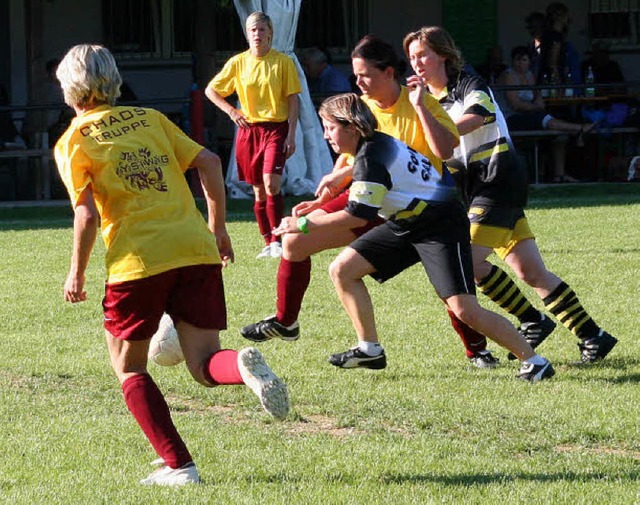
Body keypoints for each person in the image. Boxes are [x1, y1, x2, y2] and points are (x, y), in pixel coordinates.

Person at [54, 44, 290, 487]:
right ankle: (239, 366)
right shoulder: (151, 119)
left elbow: (85, 213)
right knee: (204, 365)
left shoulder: (75, 140)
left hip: (138, 261)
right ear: (113, 78)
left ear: (70, 88)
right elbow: (210, 161)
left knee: (129, 369)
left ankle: (179, 466)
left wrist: (76, 272)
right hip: (195, 249)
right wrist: (218, 228)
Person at [241, 35, 498, 370]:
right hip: (372, 203)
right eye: (355, 74)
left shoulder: (419, 102)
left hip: (423, 209)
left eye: (365, 75)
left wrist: (421, 107)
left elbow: (444, 151)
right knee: (296, 241)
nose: (358, 81)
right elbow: (352, 161)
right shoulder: (362, 108)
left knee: (452, 290)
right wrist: (322, 198)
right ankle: (287, 322)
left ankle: (477, 348)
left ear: (389, 73)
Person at [295, 93, 554, 381]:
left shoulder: (370, 157)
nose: (325, 135)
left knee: (465, 309)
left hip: (440, 228)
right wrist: (321, 202)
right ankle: (370, 349)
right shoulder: (373, 145)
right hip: (407, 224)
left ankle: (534, 361)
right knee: (342, 269)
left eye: (329, 127)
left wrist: (305, 225)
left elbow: (358, 215)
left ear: (352, 127)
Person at [403, 25, 618, 364]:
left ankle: (533, 320)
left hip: (498, 181)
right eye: (411, 57)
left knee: (469, 262)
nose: (416, 63)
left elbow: (473, 121)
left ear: (442, 55)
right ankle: (594, 336)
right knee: (532, 272)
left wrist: (434, 124)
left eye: (422, 55)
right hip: (475, 191)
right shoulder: (425, 101)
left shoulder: (469, 85)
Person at [206, 11, 301, 260]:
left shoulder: (283, 62)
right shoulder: (238, 62)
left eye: (261, 29)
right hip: (249, 131)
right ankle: (268, 241)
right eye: (252, 30)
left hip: (275, 128)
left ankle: (279, 239)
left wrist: (291, 134)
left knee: (272, 183)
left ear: (270, 32)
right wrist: (231, 111)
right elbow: (212, 91)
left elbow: (293, 99)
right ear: (246, 34)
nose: (257, 34)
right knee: (258, 191)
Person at [499, 45, 597, 182]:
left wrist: (538, 104)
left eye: (524, 60)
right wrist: (536, 107)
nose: (520, 63)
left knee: (559, 130)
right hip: (510, 119)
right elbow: (516, 105)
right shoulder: (508, 75)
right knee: (545, 119)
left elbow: (537, 96)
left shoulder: (529, 75)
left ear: (529, 62)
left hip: (529, 116)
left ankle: (559, 175)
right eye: (517, 60)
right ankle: (580, 128)